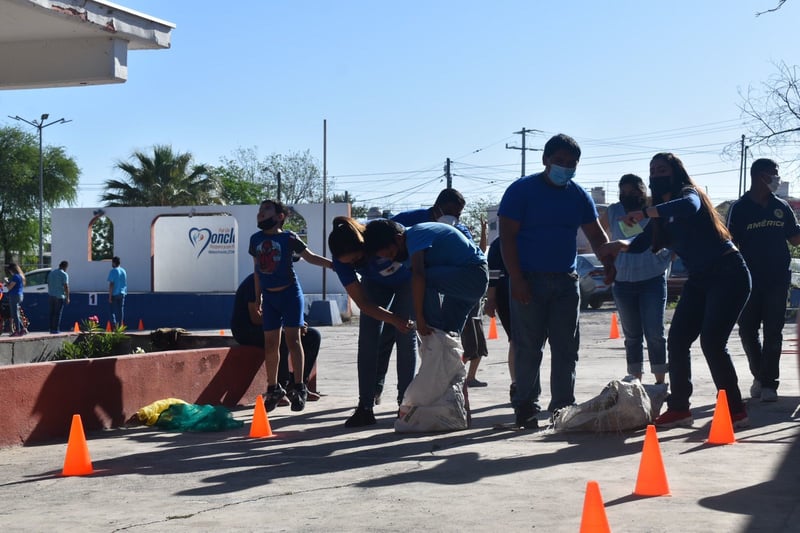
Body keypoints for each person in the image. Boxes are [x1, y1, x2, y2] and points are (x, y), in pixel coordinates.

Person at [600, 152, 751, 429]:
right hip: (700, 278)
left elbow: (690, 206)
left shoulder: (687, 194)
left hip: (728, 273)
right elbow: (642, 243)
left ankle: (735, 409)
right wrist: (617, 245)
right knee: (678, 340)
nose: (657, 174)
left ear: (676, 172)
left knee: (712, 342)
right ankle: (680, 407)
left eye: (662, 169)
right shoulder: (661, 213)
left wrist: (644, 212)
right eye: (653, 170)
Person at [498, 133, 613, 429]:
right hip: (528, 281)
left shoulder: (578, 195)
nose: (565, 167)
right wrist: (517, 279)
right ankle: (525, 406)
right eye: (559, 161)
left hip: (566, 282)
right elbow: (507, 239)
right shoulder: (521, 191)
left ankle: (562, 407)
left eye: (571, 163)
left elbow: (598, 237)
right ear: (545, 160)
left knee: (565, 348)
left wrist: (611, 263)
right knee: (528, 347)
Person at [391, 188, 490, 387]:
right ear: (437, 207)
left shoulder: (457, 229)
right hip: (431, 288)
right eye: (450, 211)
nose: (454, 216)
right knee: (445, 341)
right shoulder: (412, 222)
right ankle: (449, 390)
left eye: (458, 213)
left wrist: (420, 318)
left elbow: (421, 275)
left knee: (437, 335)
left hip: (457, 284)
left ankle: (442, 378)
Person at [328, 216, 417, 427]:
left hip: (407, 281)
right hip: (376, 284)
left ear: (364, 247)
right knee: (367, 340)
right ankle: (365, 406)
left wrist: (400, 322)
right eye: (347, 263)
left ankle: (406, 404)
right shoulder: (342, 262)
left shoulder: (380, 235)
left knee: (405, 336)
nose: (351, 265)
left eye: (354, 260)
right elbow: (364, 304)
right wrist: (392, 319)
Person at [727, 158, 800, 403]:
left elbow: (794, 238)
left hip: (777, 280)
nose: (777, 179)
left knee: (773, 332)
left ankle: (769, 384)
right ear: (760, 176)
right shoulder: (740, 208)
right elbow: (730, 244)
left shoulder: (782, 206)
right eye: (774, 174)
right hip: (747, 282)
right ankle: (759, 374)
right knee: (748, 331)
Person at [249, 199, 332, 413]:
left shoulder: (289, 238)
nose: (261, 213)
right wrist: (257, 298)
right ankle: (273, 388)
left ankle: (299, 387)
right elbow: (257, 271)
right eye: (259, 210)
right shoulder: (255, 240)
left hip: (290, 294)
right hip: (270, 298)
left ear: (280, 217)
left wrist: (333, 265)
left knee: (293, 340)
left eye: (266, 209)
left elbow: (311, 257)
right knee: (270, 344)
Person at [600, 174, 671, 383]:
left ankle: (660, 383)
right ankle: (635, 382)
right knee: (632, 337)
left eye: (633, 192)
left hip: (652, 280)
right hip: (622, 283)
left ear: (643, 191)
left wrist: (666, 258)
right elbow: (597, 233)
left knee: (655, 334)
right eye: (623, 192)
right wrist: (607, 259)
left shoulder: (654, 210)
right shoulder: (613, 211)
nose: (628, 196)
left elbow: (672, 235)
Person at [363, 219, 488, 338]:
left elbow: (419, 276)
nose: (392, 259)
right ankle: (440, 343)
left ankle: (432, 328)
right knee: (447, 336)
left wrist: (420, 318)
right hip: (463, 285)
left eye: (391, 254)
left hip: (474, 274)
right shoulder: (404, 253)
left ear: (399, 239)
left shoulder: (415, 235)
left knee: (422, 285)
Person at [230, 273, 322, 400]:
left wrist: (297, 324)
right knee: (281, 337)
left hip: (272, 325)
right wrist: (287, 324)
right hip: (247, 329)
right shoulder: (255, 282)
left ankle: (298, 386)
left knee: (313, 336)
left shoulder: (285, 282)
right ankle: (279, 387)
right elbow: (255, 318)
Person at [47, 261, 70, 334]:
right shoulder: (64, 274)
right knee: (57, 314)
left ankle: (51, 329)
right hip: (59, 296)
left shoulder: (51, 273)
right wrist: (67, 297)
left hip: (51, 295)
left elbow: (48, 283)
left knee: (52, 313)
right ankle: (55, 329)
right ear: (65, 267)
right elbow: (66, 286)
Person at [5, 263, 26, 336]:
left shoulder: (15, 277)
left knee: (14, 314)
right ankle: (23, 329)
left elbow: (9, 287)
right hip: (20, 295)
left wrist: (6, 281)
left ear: (12, 270)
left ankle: (17, 330)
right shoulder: (21, 276)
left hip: (14, 296)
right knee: (16, 314)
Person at [107, 256, 128, 328]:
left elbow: (111, 284)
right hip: (122, 293)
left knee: (111, 310)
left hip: (114, 293)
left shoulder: (113, 271)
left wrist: (109, 296)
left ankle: (114, 325)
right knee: (120, 310)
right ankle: (120, 325)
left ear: (114, 263)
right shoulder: (124, 271)